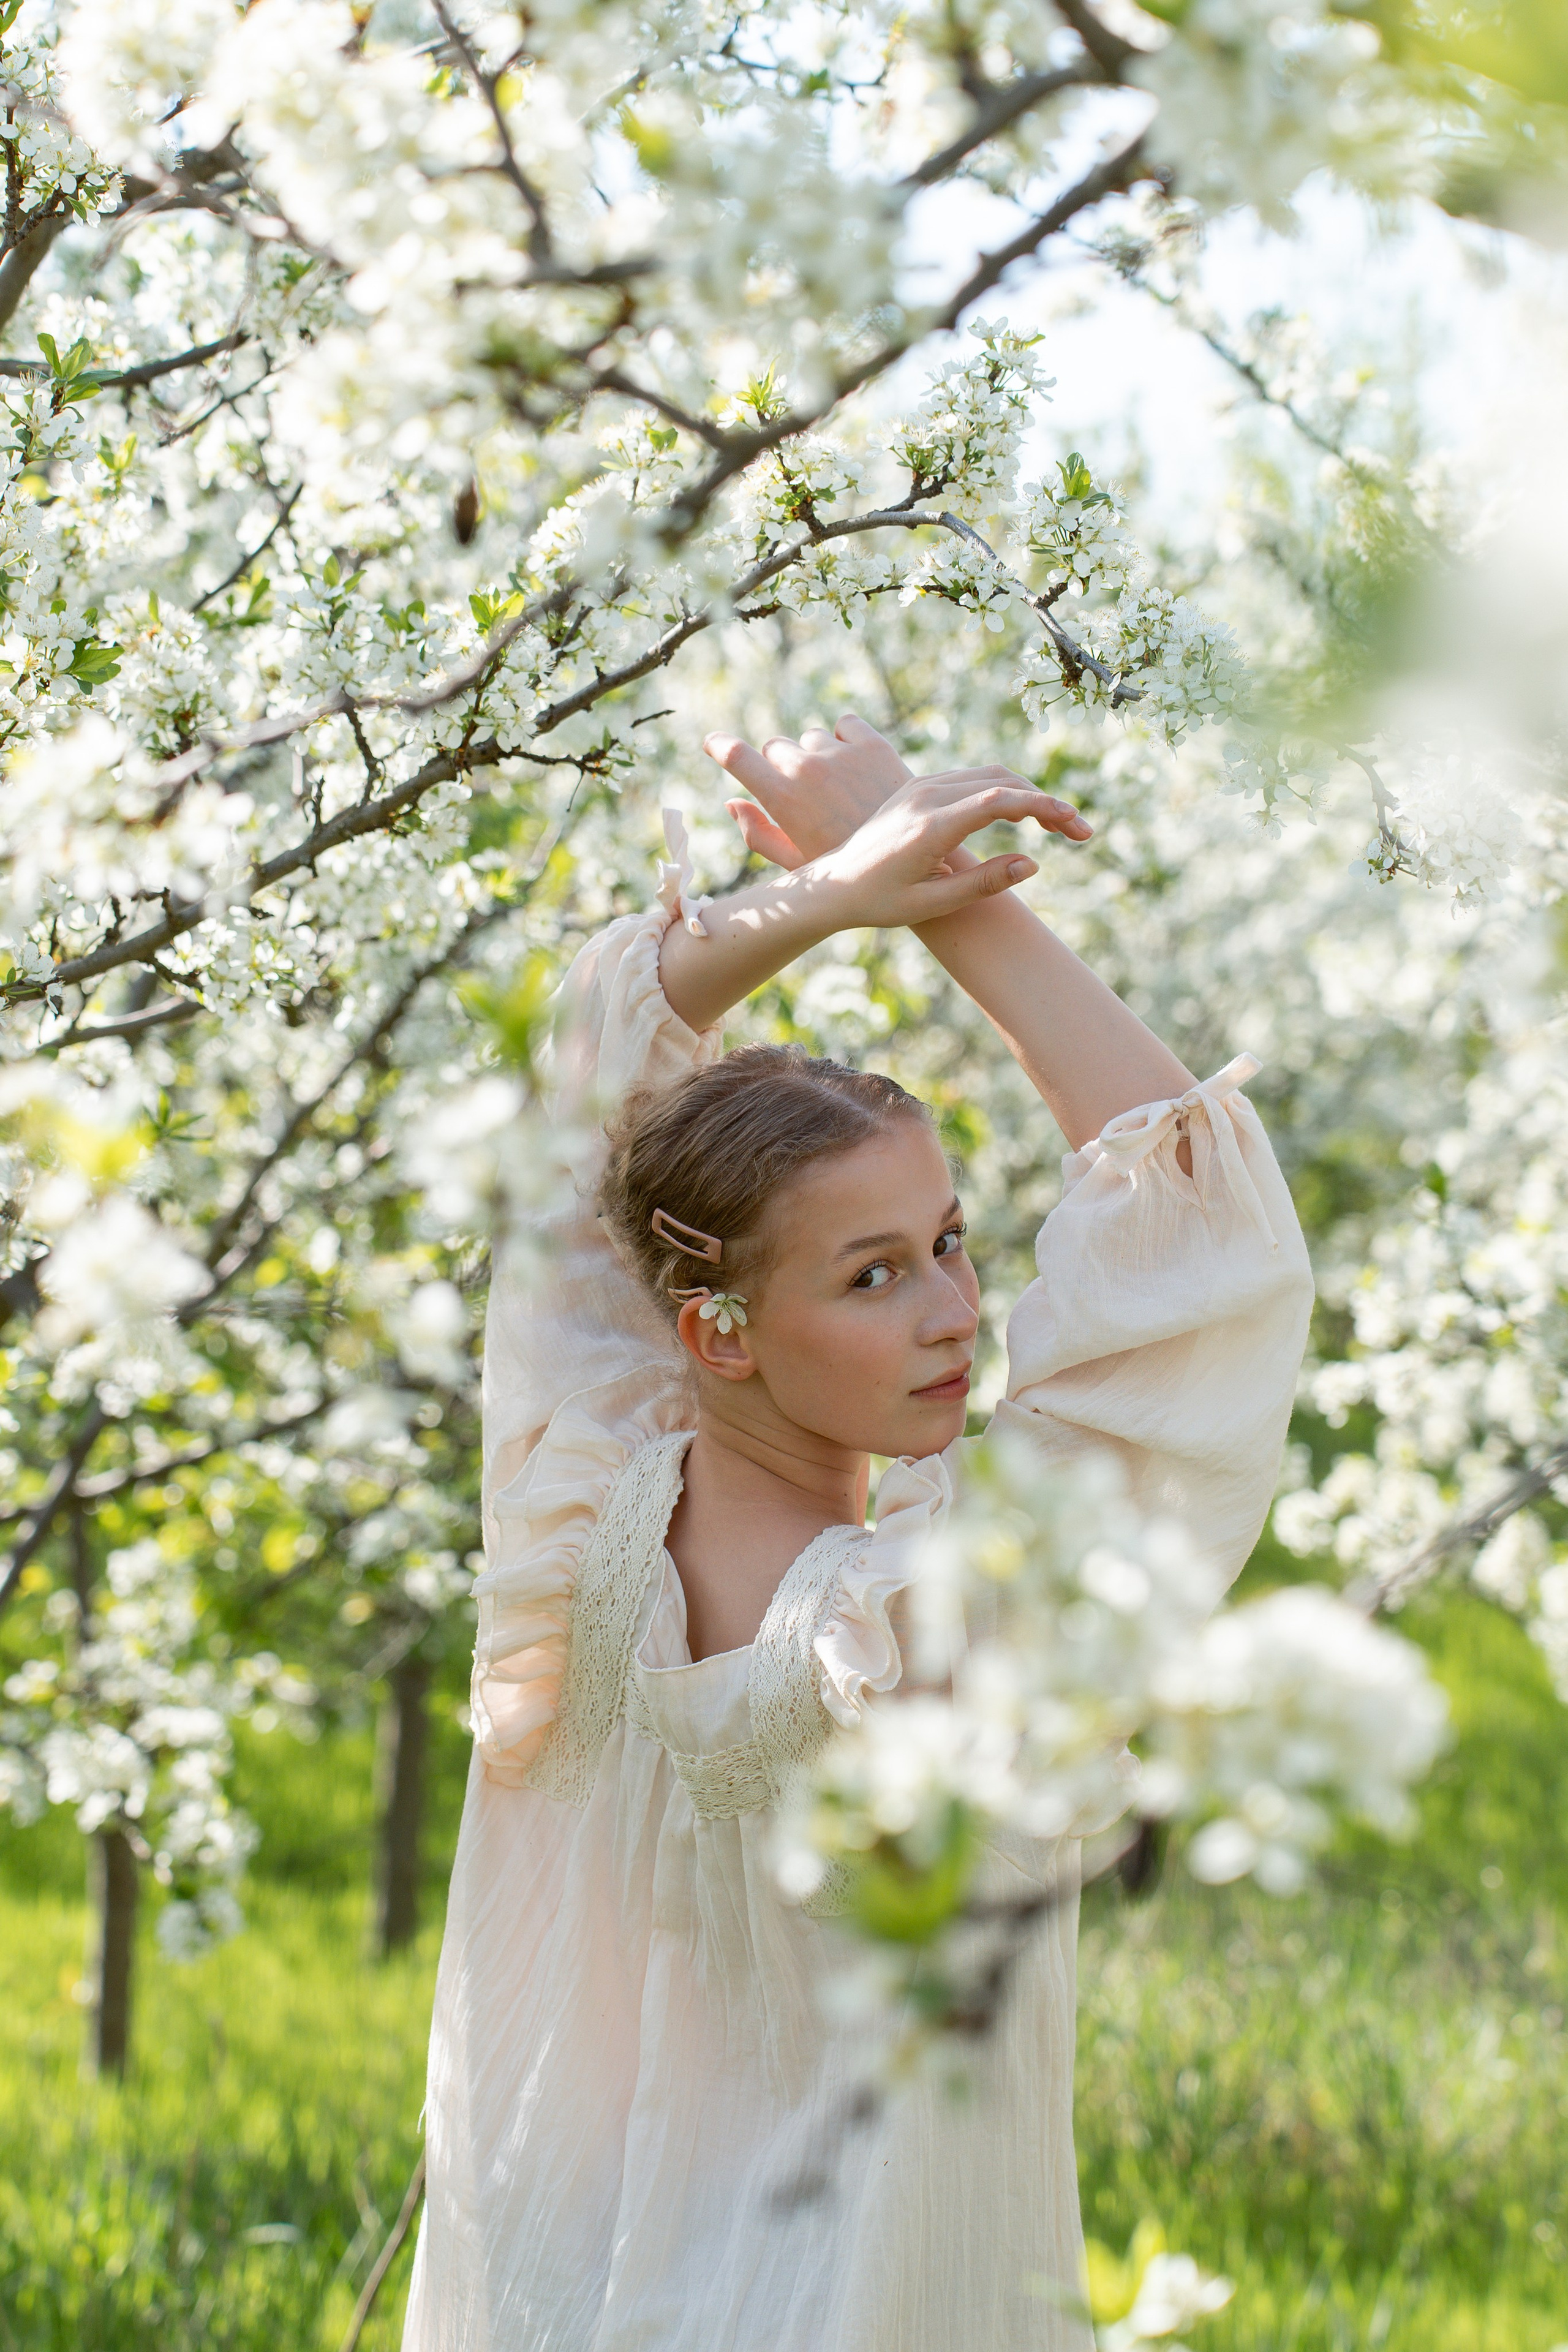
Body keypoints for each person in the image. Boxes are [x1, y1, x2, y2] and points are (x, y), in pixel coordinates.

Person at [401, 716, 1313, 2352]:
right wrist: (953, 900)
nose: (958, 1312)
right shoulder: (954, 1631)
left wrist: (830, 893)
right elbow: (1215, 1257)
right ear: (723, 1332)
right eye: (874, 1274)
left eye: (953, 1243)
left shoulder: (575, 1487)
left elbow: (577, 1130)